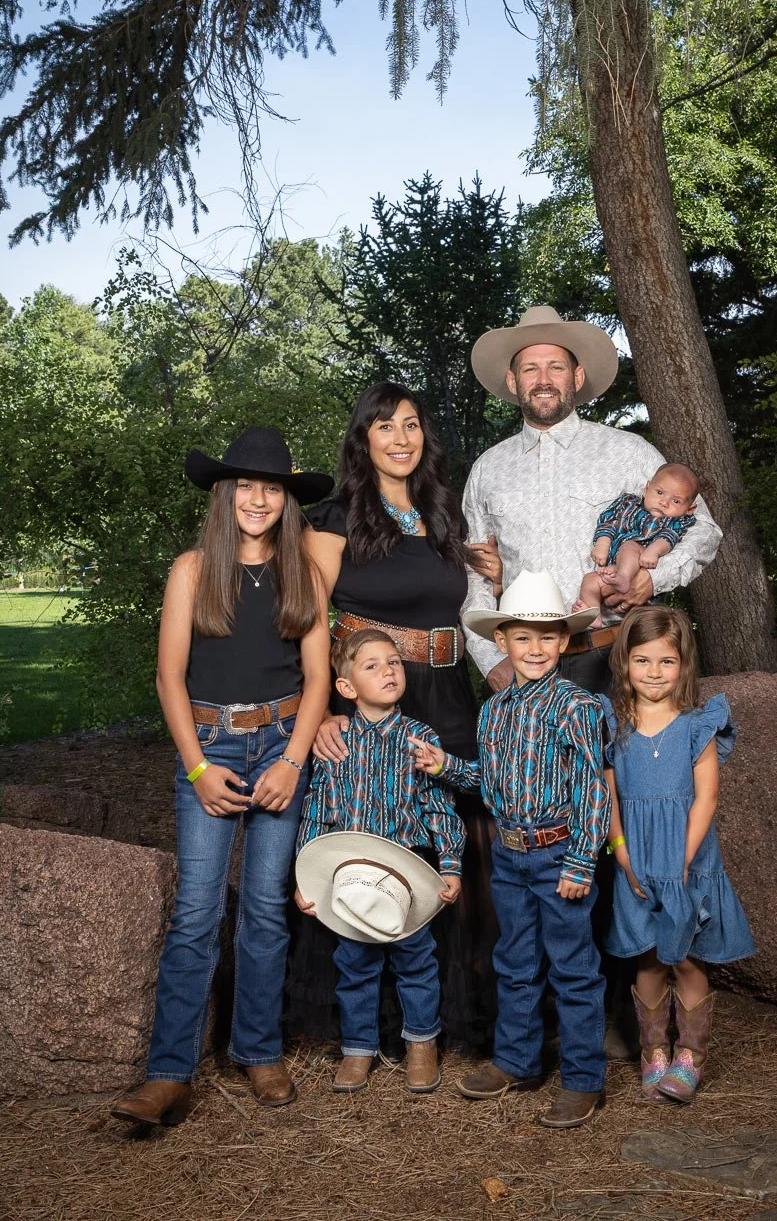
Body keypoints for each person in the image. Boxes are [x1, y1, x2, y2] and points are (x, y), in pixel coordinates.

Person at [111, 427, 332, 1128]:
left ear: (287, 501)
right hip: (209, 745)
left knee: (265, 907)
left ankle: (258, 1050)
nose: (259, 499)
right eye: (246, 487)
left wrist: (293, 761)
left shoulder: (303, 575)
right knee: (197, 911)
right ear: (224, 494)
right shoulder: (192, 570)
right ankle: (168, 1072)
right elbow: (169, 677)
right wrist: (198, 768)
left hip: (282, 746)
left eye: (272, 489)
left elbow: (319, 678)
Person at [298, 382, 497, 1052]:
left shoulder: (445, 516)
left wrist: (493, 572)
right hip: (369, 697)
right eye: (385, 426)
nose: (401, 438)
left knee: (451, 832)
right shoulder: (334, 519)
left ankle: (447, 1017)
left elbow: (470, 604)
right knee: (370, 836)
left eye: (411, 425)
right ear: (364, 439)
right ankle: (370, 1023)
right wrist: (324, 711)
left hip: (449, 693)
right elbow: (309, 625)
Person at [417, 571, 612, 1130]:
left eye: (547, 636)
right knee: (515, 961)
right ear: (501, 640)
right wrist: (445, 766)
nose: (535, 648)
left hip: (559, 855)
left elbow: (592, 786)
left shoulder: (578, 706)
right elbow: (491, 781)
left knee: (573, 968)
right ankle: (517, 1060)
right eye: (522, 637)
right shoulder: (493, 710)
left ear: (565, 641)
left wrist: (581, 860)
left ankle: (583, 1080)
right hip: (508, 856)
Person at [463, 305, 722, 696]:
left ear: (577, 377)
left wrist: (652, 578)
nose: (543, 380)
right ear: (513, 381)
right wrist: (489, 658)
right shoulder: (488, 468)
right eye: (530, 369)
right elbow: (474, 571)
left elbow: (703, 528)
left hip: (617, 655)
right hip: (527, 663)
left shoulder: (628, 452)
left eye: (556, 367)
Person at [294, 628, 464, 1094]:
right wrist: (305, 876)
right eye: (372, 666)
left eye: (394, 662)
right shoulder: (336, 741)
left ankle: (422, 1043)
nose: (388, 671)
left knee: (417, 960)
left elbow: (438, 806)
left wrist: (450, 863)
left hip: (407, 872)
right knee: (355, 963)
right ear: (346, 687)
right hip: (350, 876)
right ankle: (357, 1048)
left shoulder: (419, 737)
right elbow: (318, 809)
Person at [604, 606, 755, 1102]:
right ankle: (653, 1052)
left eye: (666, 661)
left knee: (687, 959)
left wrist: (682, 861)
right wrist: (621, 853)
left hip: (686, 861)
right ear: (624, 663)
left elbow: (706, 798)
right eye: (642, 660)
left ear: (683, 665)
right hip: (637, 861)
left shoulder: (697, 726)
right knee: (649, 960)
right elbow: (609, 798)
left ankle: (691, 1057)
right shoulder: (612, 725)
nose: (654, 672)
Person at [575, 464, 700, 620]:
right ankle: (592, 616)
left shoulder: (676, 521)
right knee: (590, 580)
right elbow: (609, 522)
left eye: (675, 501)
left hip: (642, 564)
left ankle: (623, 578)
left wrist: (654, 551)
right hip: (615, 567)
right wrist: (602, 543)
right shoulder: (628, 504)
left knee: (629, 546)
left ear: (689, 509)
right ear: (646, 489)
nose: (664, 502)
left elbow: (668, 537)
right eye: (660, 493)